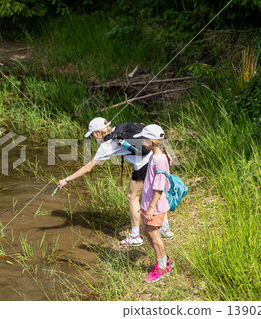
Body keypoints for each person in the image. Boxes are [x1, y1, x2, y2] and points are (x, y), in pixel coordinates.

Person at [57, 117, 174, 247]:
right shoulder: (122, 127)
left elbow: (87, 168)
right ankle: (165, 228)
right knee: (158, 192)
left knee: (132, 197)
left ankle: (135, 235)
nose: (94, 138)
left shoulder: (107, 146)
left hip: (143, 166)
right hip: (155, 157)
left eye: (93, 135)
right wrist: (165, 153)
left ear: (98, 133)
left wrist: (66, 180)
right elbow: (150, 134)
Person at [134, 124, 174, 282]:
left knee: (153, 233)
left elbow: (159, 188)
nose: (142, 141)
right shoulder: (155, 154)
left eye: (144, 138)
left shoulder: (159, 160)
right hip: (148, 203)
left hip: (155, 206)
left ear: (152, 140)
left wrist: (151, 208)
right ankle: (165, 259)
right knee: (145, 229)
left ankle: (163, 267)